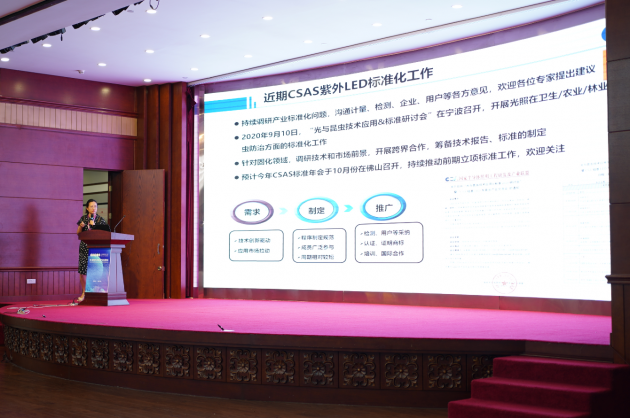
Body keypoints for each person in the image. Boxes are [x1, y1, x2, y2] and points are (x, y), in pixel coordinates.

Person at [76, 199, 107, 302]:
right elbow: (78, 233)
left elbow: (104, 234)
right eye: (91, 206)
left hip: (96, 248)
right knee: (83, 271)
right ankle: (84, 293)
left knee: (96, 271)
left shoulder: (100, 220)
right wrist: (80, 227)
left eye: (95, 206)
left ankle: (94, 293)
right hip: (84, 248)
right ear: (87, 208)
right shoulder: (83, 218)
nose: (94, 208)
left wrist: (93, 225)